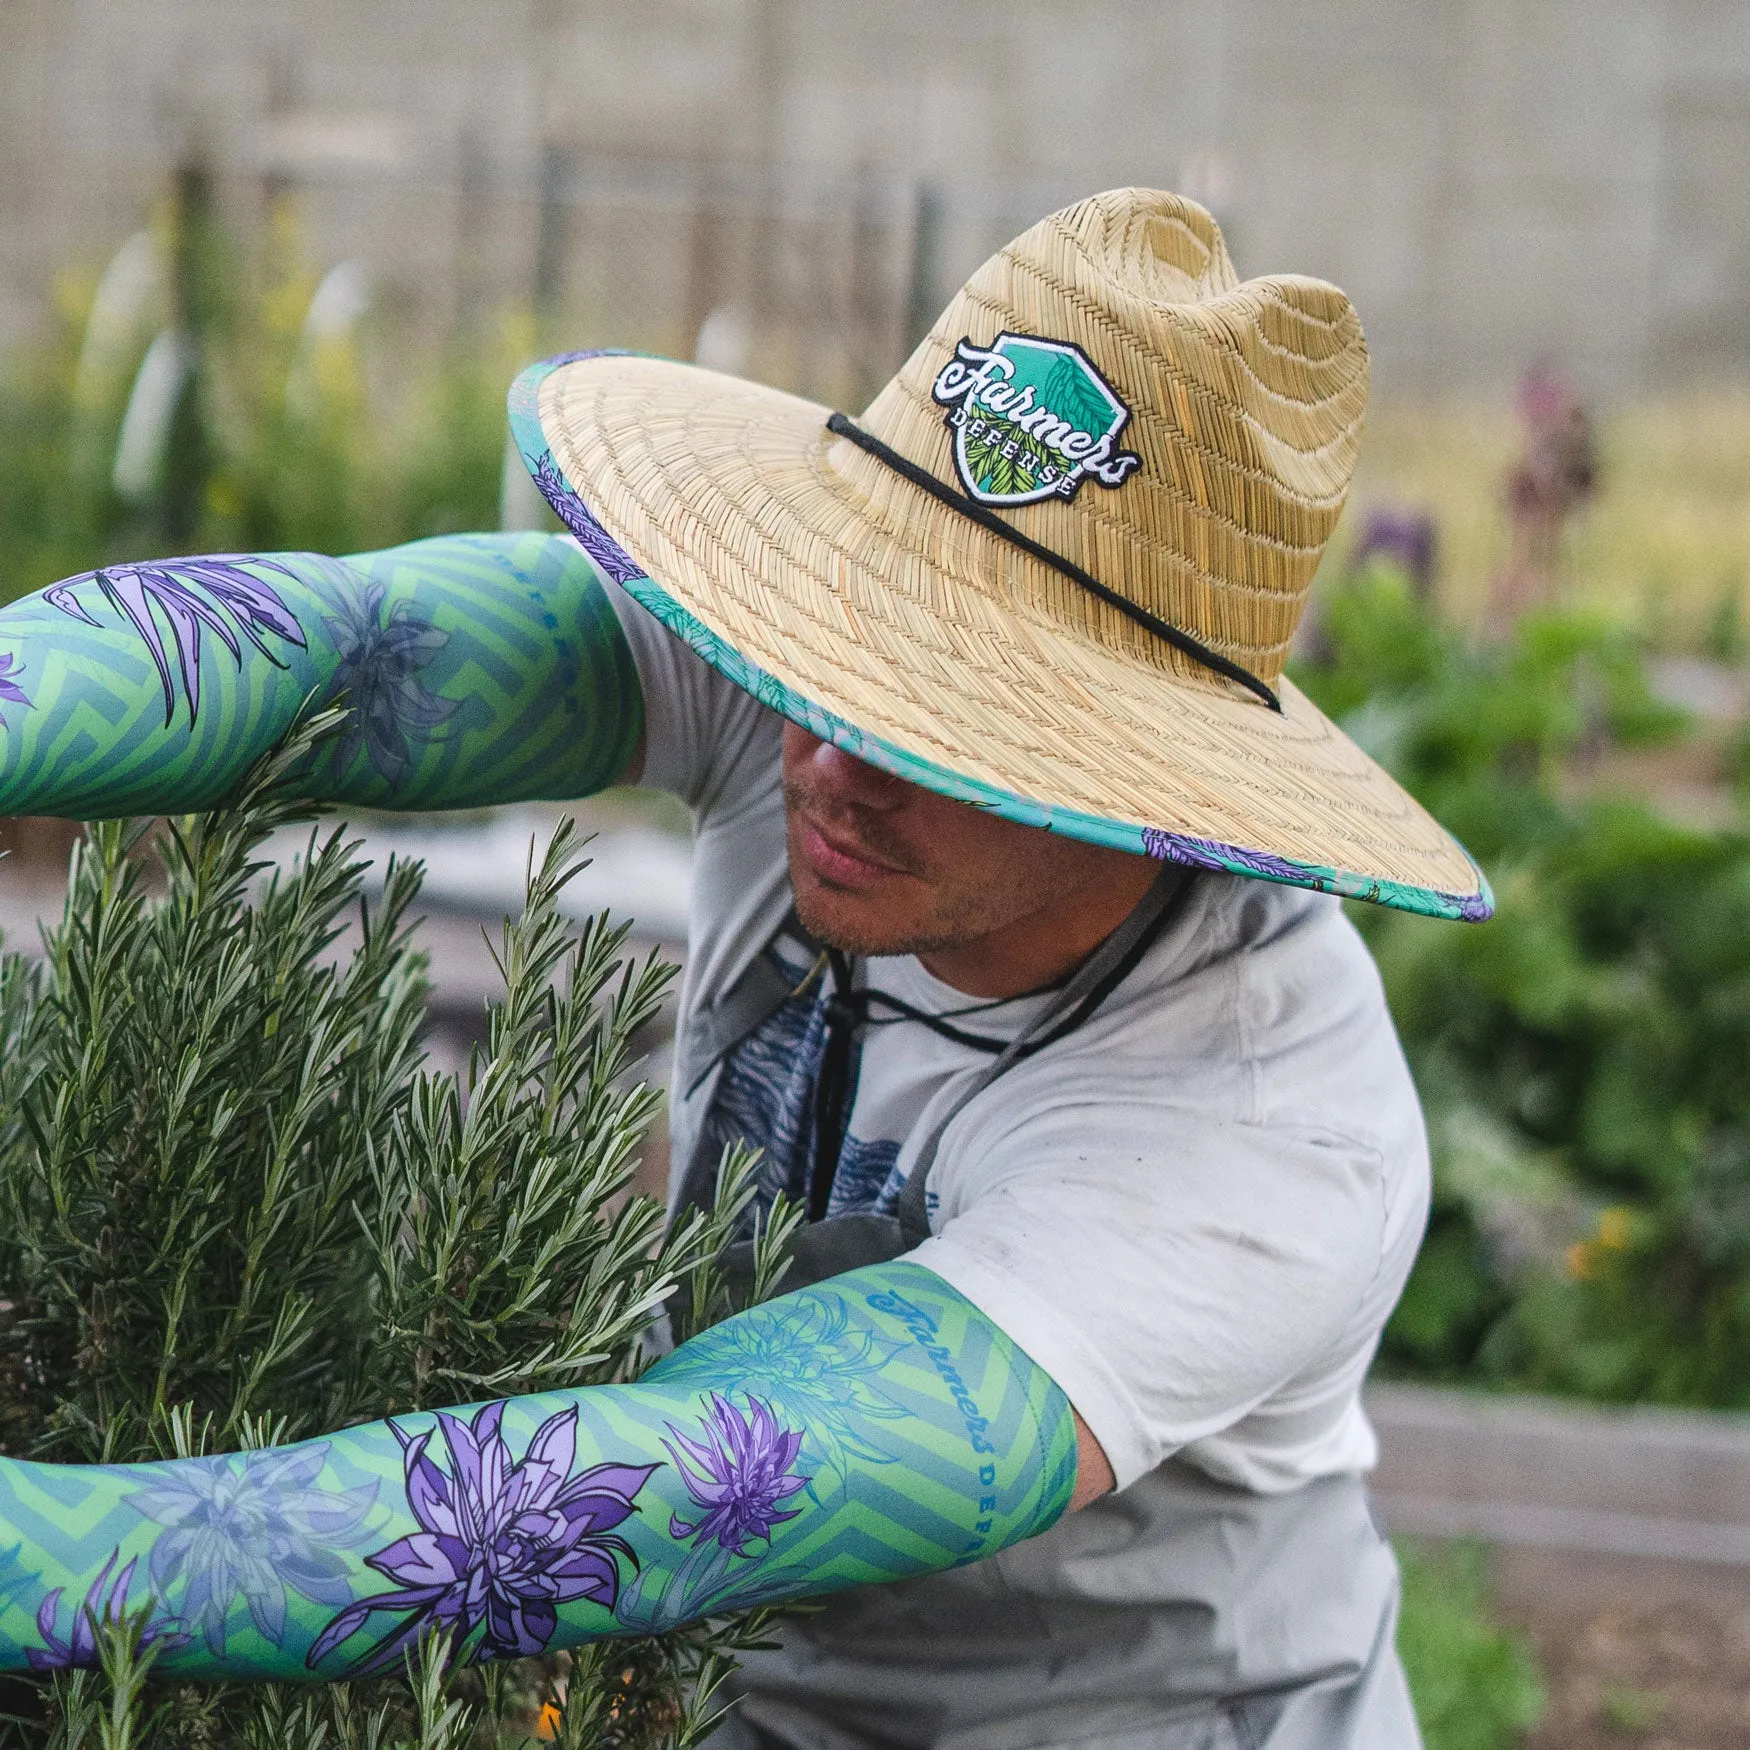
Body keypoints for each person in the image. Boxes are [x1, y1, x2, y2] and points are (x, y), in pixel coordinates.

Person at [0, 190, 1489, 1745]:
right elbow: (347, 650)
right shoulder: (807, 722)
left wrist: (42, 1563)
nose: (830, 756)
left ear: (1150, 780)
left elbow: (693, 1480)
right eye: (832, 643)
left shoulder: (1258, 1126)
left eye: (950, 721)